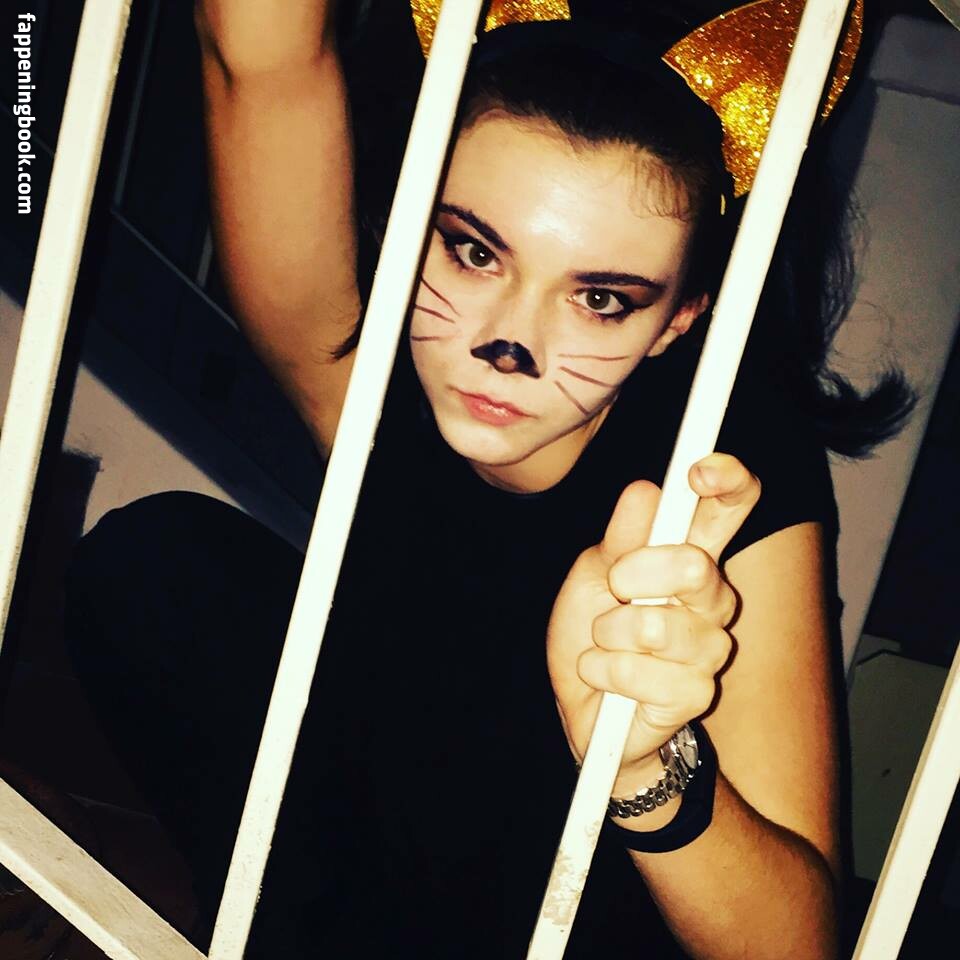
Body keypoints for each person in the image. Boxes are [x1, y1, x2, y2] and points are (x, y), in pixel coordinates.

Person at [66, 1, 912, 957]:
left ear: (678, 322)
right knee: (159, 566)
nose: (510, 343)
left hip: (564, 915)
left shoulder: (717, 471)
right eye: (474, 252)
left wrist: (642, 766)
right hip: (367, 855)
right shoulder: (367, 369)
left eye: (600, 299)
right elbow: (256, 57)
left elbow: (795, 946)